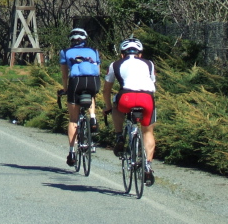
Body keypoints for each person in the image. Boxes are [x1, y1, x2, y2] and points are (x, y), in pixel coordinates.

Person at [102, 38, 157, 186]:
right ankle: (147, 166)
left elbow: (106, 90)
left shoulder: (115, 64)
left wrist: (107, 107)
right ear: (140, 54)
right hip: (147, 99)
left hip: (126, 98)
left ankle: (119, 136)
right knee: (148, 132)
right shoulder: (149, 64)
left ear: (122, 54)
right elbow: (152, 84)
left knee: (116, 105)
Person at [59, 27, 102, 167]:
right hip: (93, 81)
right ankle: (93, 117)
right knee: (91, 95)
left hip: (76, 81)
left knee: (73, 119)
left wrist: (65, 89)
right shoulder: (94, 51)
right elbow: (98, 71)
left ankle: (72, 152)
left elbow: (65, 74)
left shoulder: (65, 52)